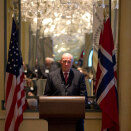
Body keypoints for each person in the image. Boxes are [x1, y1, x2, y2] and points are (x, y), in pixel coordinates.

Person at [44, 53, 88, 131]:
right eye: (64, 61)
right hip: (56, 118)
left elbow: (84, 97)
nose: (66, 64)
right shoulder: (51, 76)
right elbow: (47, 96)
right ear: (60, 62)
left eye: (69, 62)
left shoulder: (79, 76)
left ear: (72, 63)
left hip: (75, 118)